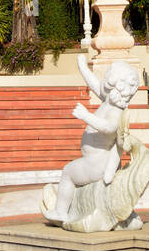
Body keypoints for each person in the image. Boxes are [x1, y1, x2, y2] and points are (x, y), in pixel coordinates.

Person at [43, 56, 141, 223]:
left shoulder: (116, 111)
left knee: (68, 173)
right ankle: (79, 208)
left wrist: (86, 116)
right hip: (93, 161)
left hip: (97, 163)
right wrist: (83, 67)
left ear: (114, 83)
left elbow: (109, 127)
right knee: (72, 174)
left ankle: (61, 212)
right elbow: (95, 84)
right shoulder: (109, 101)